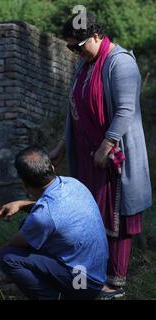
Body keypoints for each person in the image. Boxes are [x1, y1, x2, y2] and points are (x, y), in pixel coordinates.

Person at [50, 13, 152, 297]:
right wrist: (61, 146)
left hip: (113, 158)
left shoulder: (120, 62)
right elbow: (76, 112)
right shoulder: (83, 66)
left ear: (96, 35)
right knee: (91, 216)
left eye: (78, 45)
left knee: (116, 215)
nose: (76, 52)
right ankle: (94, 273)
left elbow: (125, 110)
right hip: (87, 157)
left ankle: (116, 282)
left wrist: (106, 147)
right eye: (70, 48)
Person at [0, 146, 108, 300]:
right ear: (52, 167)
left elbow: (13, 245)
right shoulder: (73, 184)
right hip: (95, 275)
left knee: (8, 257)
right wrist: (22, 204)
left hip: (82, 285)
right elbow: (55, 214)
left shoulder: (43, 217)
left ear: (24, 184)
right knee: (28, 227)